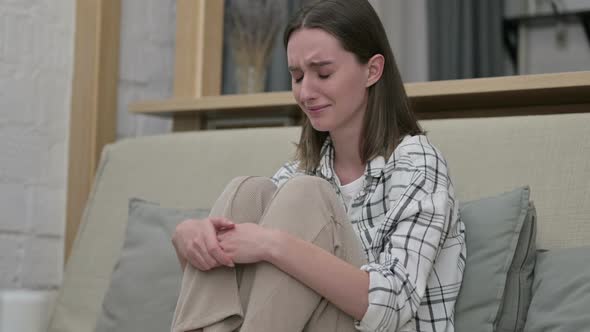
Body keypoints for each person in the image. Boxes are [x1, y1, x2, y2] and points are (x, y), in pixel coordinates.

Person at [170, 0, 466, 331]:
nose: (306, 92)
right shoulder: (303, 171)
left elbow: (396, 304)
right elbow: (232, 288)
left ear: (372, 70)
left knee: (304, 195)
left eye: (323, 73)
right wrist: (189, 239)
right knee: (247, 192)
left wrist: (273, 245)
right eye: (297, 76)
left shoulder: (417, 163)